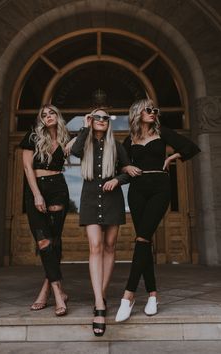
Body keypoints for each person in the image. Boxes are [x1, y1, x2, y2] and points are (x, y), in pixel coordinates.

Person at [115, 98, 200, 322]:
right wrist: (126, 166)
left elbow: (190, 147)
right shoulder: (129, 139)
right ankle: (152, 295)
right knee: (144, 241)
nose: (153, 113)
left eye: (155, 110)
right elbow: (116, 165)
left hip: (160, 189)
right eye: (148, 110)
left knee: (142, 239)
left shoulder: (162, 132)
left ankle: (128, 295)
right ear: (137, 113)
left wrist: (172, 157)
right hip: (137, 192)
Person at [70, 108, 130, 336]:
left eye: (106, 118)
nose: (102, 120)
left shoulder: (117, 146)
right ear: (91, 120)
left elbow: (128, 171)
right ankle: (99, 303)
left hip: (113, 200)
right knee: (95, 247)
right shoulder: (84, 142)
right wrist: (84, 127)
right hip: (89, 201)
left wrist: (117, 179)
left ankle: (100, 296)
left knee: (109, 247)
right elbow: (74, 151)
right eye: (98, 117)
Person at [20, 104, 70, 316]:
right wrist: (37, 194)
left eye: (52, 113)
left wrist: (81, 132)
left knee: (55, 241)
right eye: (44, 115)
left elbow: (88, 138)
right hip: (37, 190)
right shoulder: (32, 137)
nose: (48, 117)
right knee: (44, 242)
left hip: (59, 189)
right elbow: (26, 168)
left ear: (58, 116)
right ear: (40, 119)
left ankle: (46, 289)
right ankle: (58, 294)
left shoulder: (66, 139)